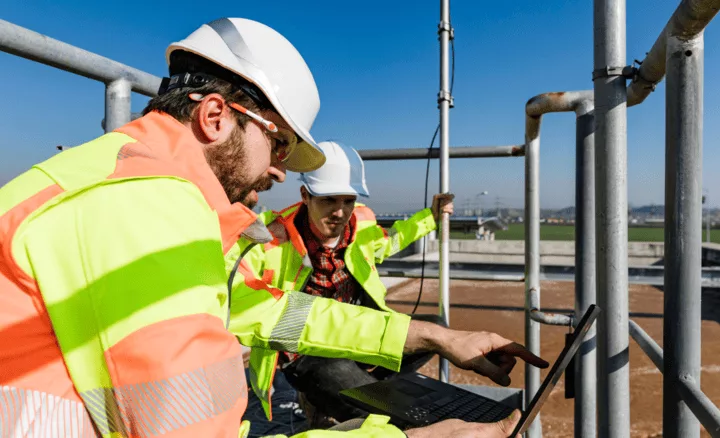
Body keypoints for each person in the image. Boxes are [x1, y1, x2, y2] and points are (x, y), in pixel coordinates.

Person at [0, 18, 545, 438]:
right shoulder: (142, 207)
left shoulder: (126, 184)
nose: (280, 168)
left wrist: (439, 335)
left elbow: (274, 310)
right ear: (215, 116)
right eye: (278, 142)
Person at [236, 140, 452, 427]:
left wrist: (431, 218)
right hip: (307, 351)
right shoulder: (270, 239)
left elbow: (388, 243)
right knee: (383, 410)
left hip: (355, 334)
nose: (339, 212)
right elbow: (241, 293)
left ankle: (344, 392)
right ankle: (342, 398)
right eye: (328, 200)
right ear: (305, 195)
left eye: (347, 200)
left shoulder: (361, 225)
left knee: (435, 330)